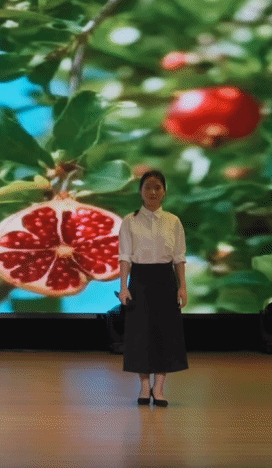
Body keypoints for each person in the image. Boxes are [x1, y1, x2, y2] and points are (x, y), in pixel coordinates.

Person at [118, 170, 188, 407]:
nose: (153, 192)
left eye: (158, 187)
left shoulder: (173, 221)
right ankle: (144, 386)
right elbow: (125, 256)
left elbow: (179, 257)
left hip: (165, 279)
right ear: (140, 191)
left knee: (165, 334)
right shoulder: (130, 221)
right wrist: (123, 287)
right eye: (148, 187)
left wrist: (182, 287)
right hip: (139, 279)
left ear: (164, 192)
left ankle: (159, 388)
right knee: (140, 334)